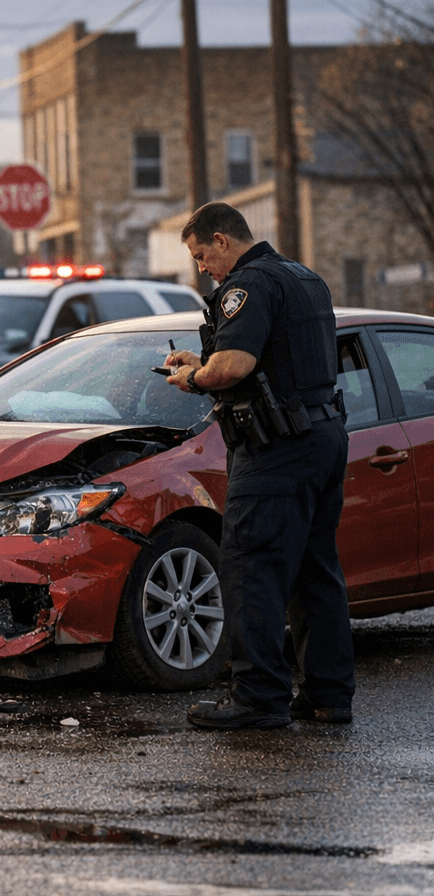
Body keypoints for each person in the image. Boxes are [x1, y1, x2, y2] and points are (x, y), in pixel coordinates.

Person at [164, 201, 354, 729]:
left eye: (202, 255)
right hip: (323, 436)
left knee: (252, 569)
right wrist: (202, 362)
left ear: (223, 240)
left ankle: (258, 698)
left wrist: (194, 378)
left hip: (276, 448)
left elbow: (236, 366)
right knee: (315, 571)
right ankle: (328, 695)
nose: (203, 267)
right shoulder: (304, 277)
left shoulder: (245, 286)